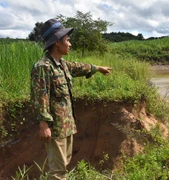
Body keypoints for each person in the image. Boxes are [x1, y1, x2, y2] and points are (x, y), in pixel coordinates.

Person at [30, 18, 112, 180]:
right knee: (58, 173)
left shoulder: (62, 64)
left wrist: (98, 68)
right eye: (67, 40)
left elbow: (78, 67)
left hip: (66, 125)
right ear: (56, 43)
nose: (70, 43)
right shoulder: (43, 67)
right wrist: (44, 124)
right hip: (55, 128)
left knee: (62, 165)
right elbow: (40, 96)